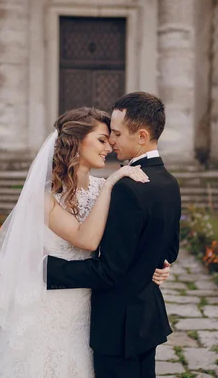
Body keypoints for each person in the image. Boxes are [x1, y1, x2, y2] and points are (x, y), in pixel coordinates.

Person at [0, 106, 172, 378]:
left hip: (95, 305)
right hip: (54, 305)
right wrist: (112, 183)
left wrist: (156, 263)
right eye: (102, 139)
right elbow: (87, 240)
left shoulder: (101, 186)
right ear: (76, 141)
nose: (110, 146)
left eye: (111, 139)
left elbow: (125, 242)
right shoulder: (46, 197)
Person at [46, 92, 182, 378]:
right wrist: (157, 267)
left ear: (142, 136)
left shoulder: (124, 187)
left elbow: (110, 270)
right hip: (147, 319)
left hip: (118, 326)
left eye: (116, 134)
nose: (112, 142)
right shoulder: (169, 182)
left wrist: (50, 270)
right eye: (106, 137)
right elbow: (169, 251)